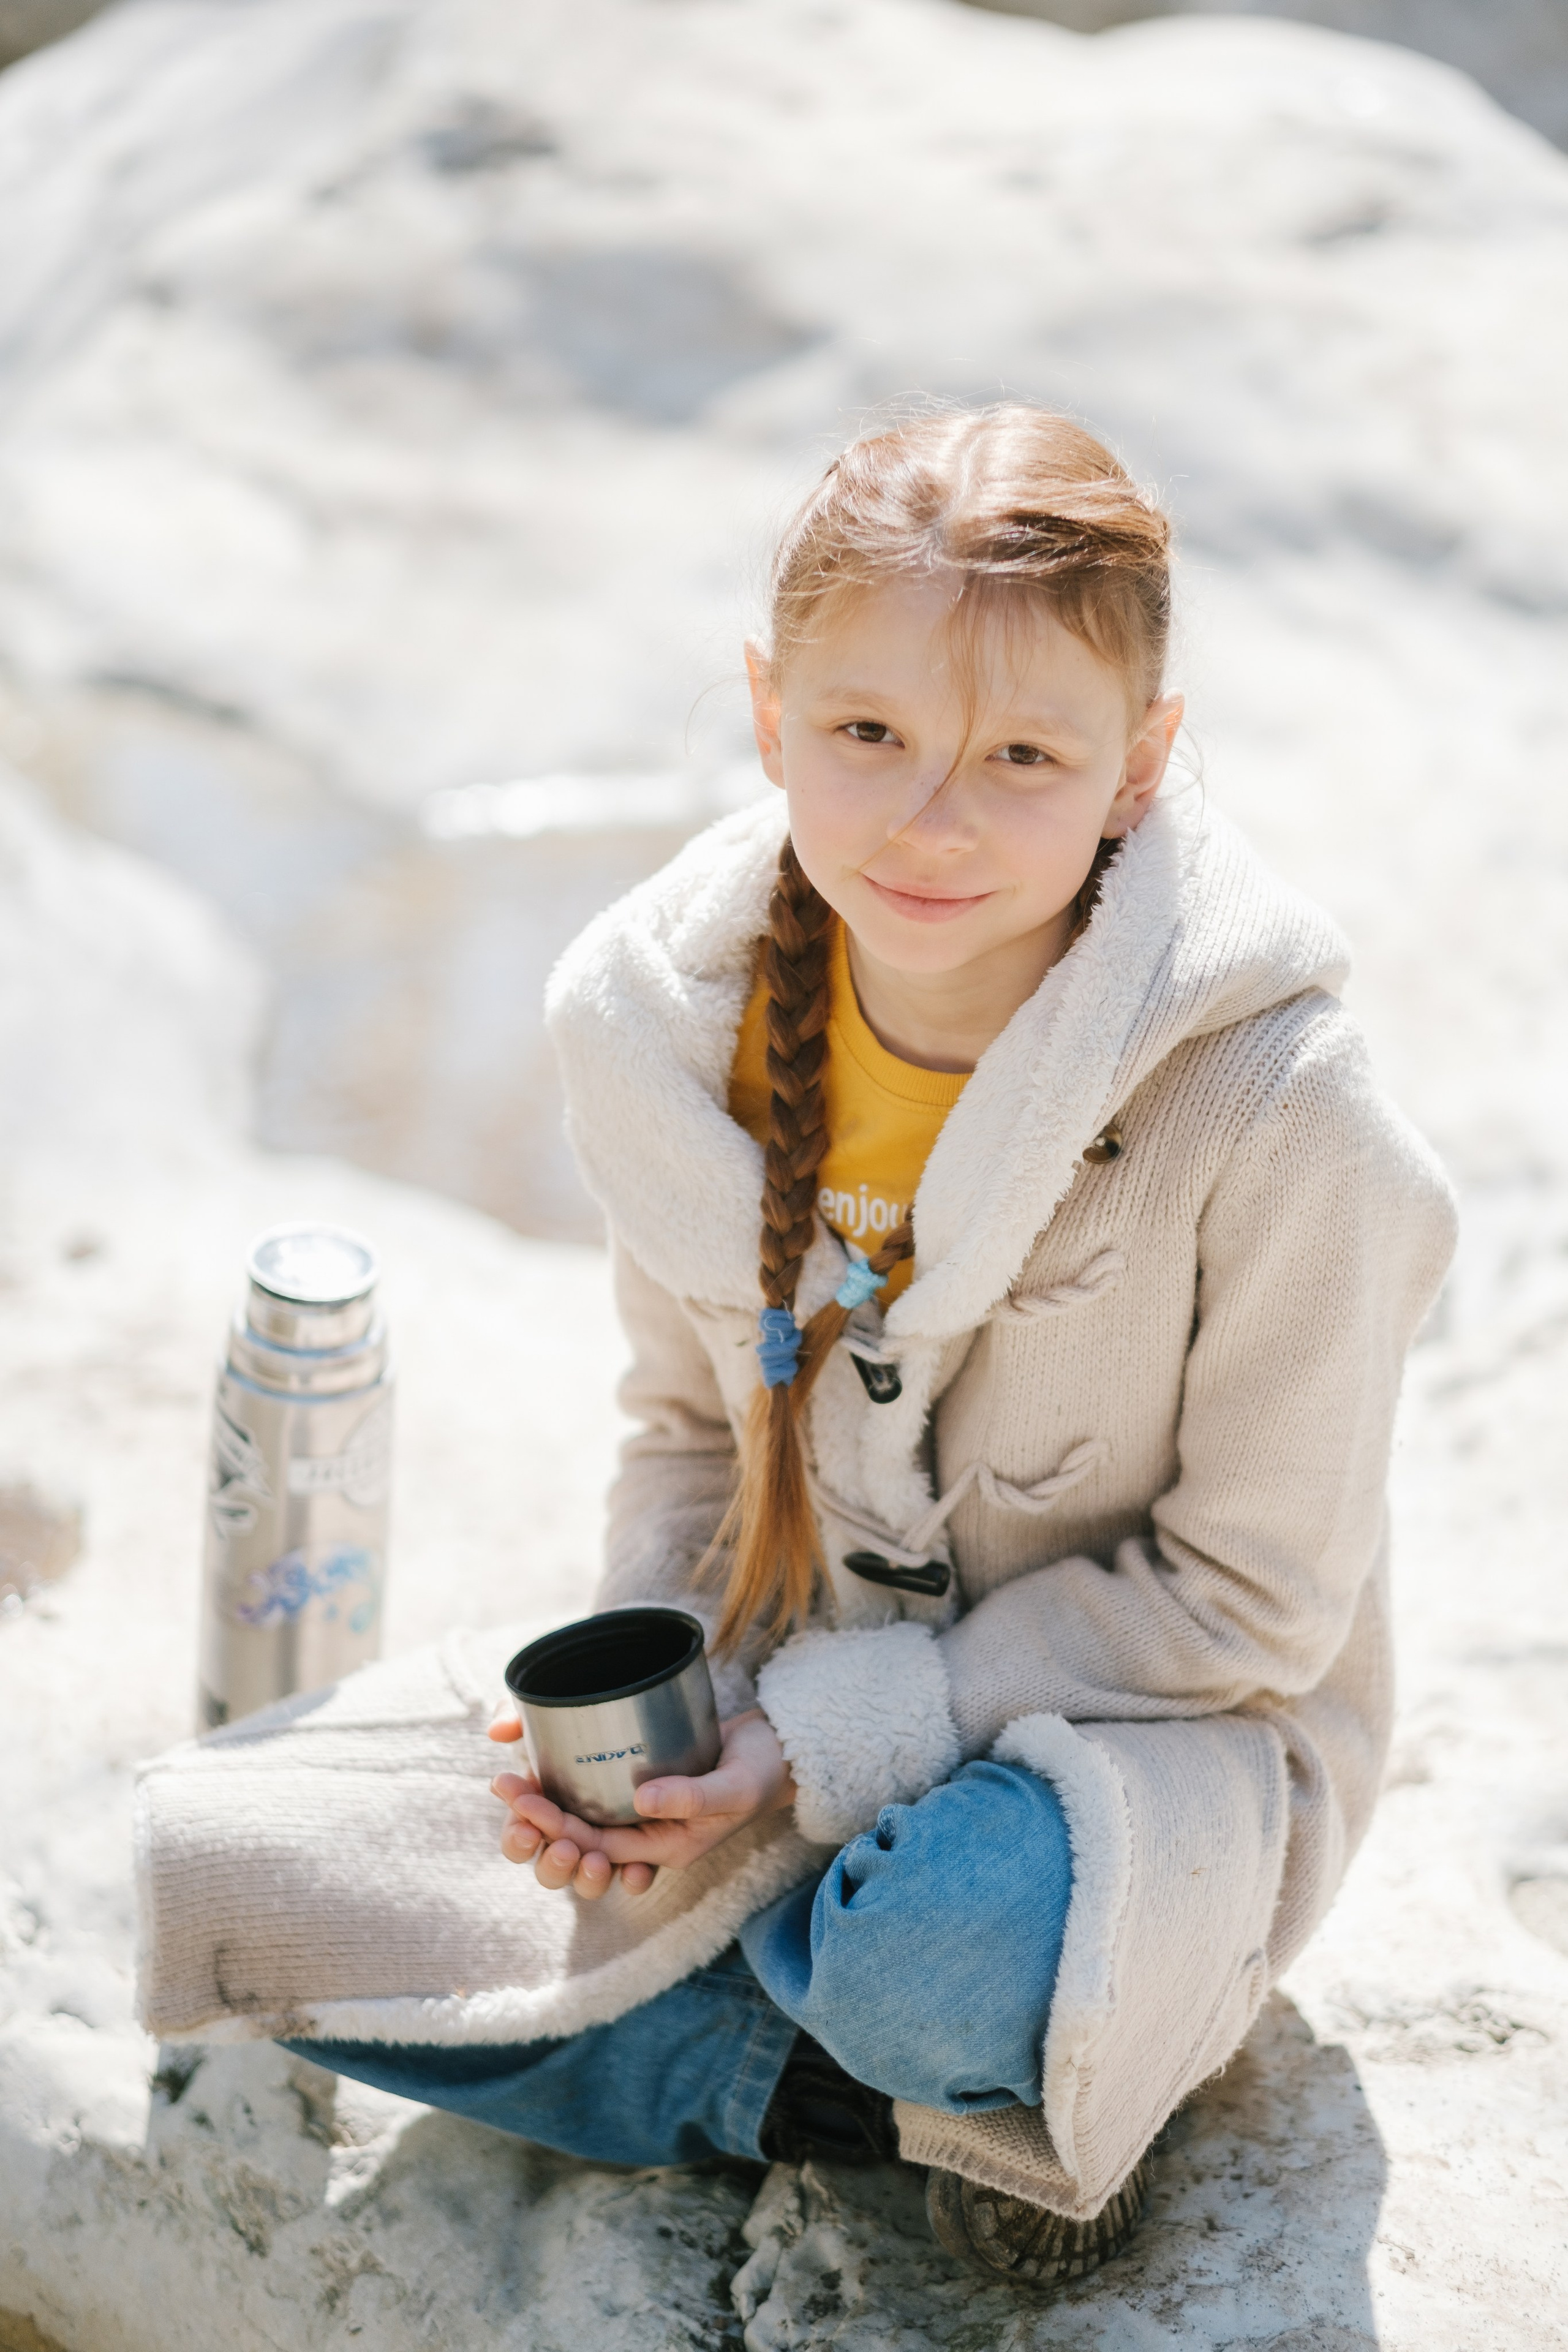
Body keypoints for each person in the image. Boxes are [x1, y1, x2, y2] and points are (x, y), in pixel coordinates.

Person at [135, 406, 1456, 2290]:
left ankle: (875, 2022)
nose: (935, 817)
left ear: (1142, 764)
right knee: (231, 1880)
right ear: (770, 714)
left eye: (1024, 756)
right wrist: (641, 1750)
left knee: (933, 1953)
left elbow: (1248, 1611)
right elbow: (686, 1432)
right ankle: (856, 2061)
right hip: (779, 1698)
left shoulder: (1284, 1107)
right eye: (867, 735)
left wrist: (809, 1755)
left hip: (1121, 1753)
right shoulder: (649, 1018)